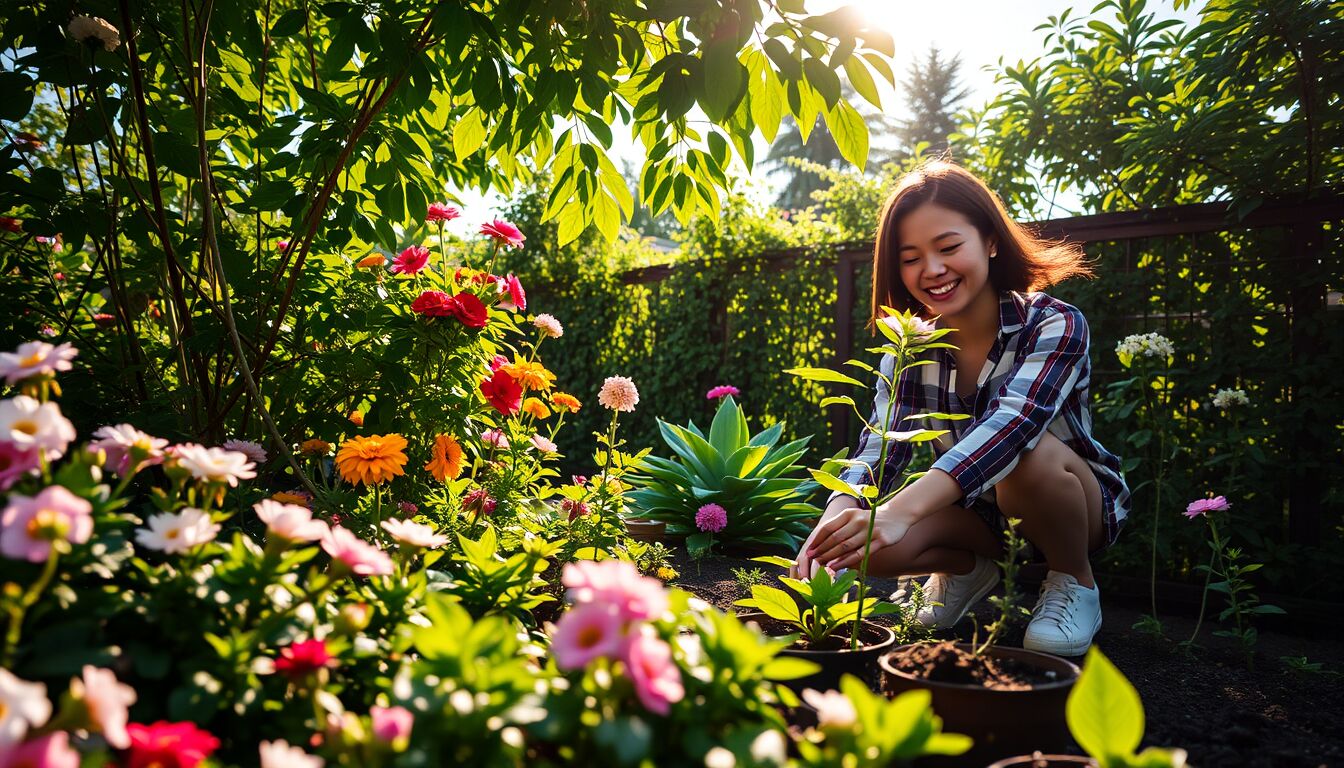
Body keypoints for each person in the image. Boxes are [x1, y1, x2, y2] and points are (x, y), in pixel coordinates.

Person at [792, 160, 1129, 656]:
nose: (932, 270)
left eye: (949, 247)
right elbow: (878, 444)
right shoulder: (910, 347)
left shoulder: (1053, 323)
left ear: (990, 240)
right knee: (859, 547)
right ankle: (968, 572)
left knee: (1025, 458)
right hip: (978, 515)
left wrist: (896, 513)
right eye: (911, 258)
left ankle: (1073, 581)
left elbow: (1014, 426)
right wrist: (838, 513)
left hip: (1069, 504)